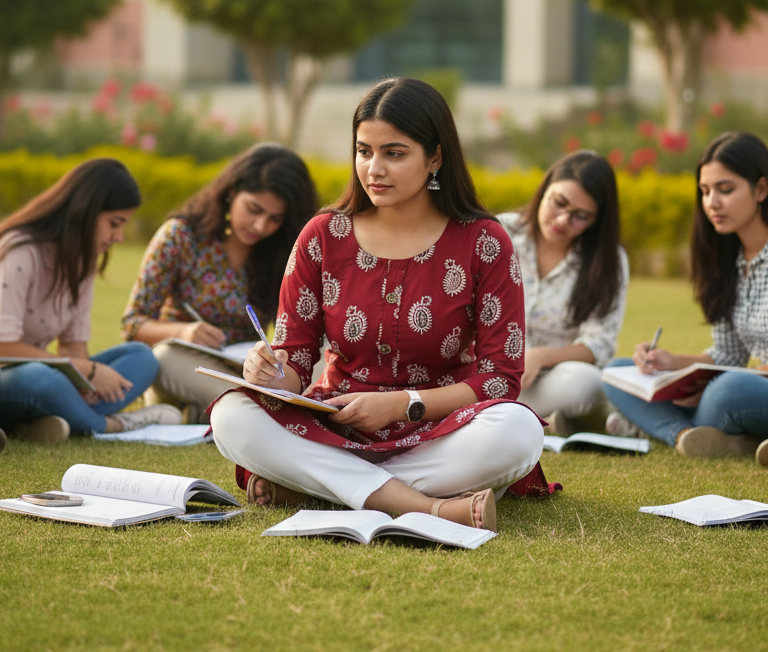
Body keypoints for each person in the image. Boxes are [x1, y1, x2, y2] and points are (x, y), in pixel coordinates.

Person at [209, 77, 546, 532]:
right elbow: (295, 358)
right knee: (232, 415)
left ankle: (315, 487)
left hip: (442, 428)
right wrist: (270, 372)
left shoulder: (484, 242)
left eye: (394, 153)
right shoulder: (323, 237)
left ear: (435, 157)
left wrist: (402, 405)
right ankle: (428, 507)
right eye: (364, 151)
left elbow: (501, 378)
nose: (374, 169)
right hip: (337, 425)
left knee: (517, 432)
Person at [604, 131, 768, 466]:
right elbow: (728, 354)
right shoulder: (729, 263)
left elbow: (735, 374)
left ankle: (674, 428)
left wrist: (725, 380)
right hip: (743, 384)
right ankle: (689, 437)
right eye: (705, 192)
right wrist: (670, 362)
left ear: (761, 189)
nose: (712, 203)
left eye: (726, 189)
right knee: (617, 373)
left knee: (727, 391)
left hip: (746, 390)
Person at [121, 143, 318, 419]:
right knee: (164, 356)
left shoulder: (280, 252)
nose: (261, 226)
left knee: (320, 358)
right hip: (185, 365)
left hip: (246, 371)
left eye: (275, 219)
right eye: (253, 209)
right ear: (231, 192)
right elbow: (132, 323)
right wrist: (183, 333)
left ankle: (220, 411)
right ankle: (248, 410)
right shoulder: (180, 237)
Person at [0, 158, 180, 443]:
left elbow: (73, 344)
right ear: (85, 211)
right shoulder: (20, 252)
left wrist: (82, 381)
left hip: (49, 377)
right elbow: (4, 347)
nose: (118, 237)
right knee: (41, 378)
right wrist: (82, 369)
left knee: (141, 357)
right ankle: (111, 425)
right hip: (13, 377)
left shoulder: (82, 261)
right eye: (114, 224)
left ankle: (46, 421)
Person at [498, 151, 628, 436]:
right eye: (559, 203)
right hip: (489, 369)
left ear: (596, 220)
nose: (563, 220)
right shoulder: (501, 232)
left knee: (585, 382)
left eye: (580, 216)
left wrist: (541, 357)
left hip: (551, 378)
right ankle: (540, 420)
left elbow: (599, 343)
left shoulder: (609, 262)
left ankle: (509, 415)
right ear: (545, 189)